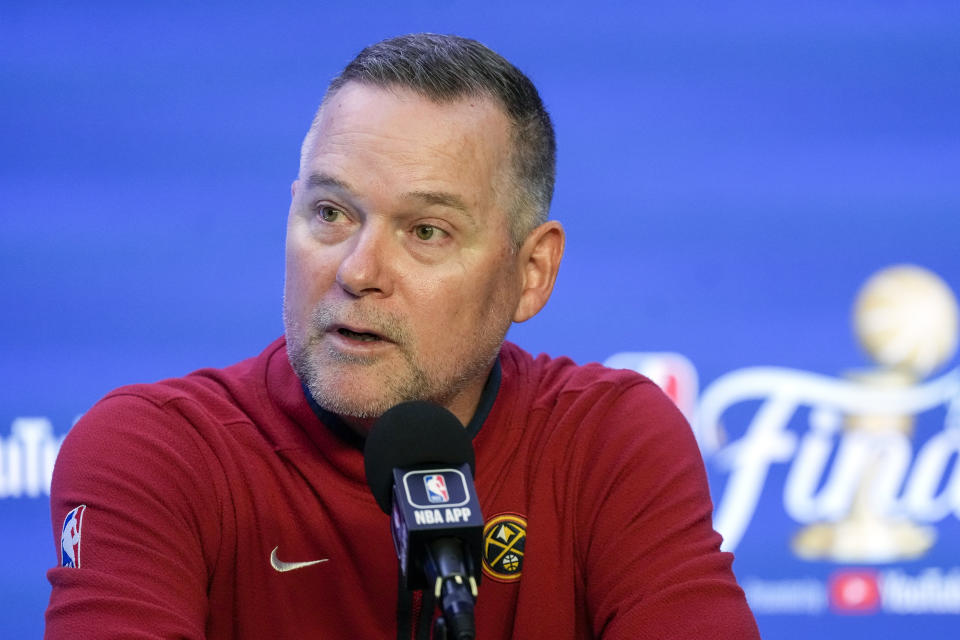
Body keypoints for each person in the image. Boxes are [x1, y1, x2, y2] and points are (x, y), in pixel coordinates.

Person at [45, 34, 760, 639]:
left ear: (532, 272)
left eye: (426, 231)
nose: (358, 272)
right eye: (331, 213)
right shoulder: (155, 453)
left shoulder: (608, 441)